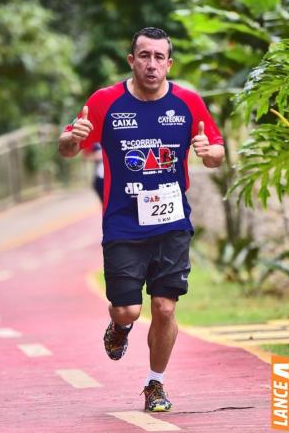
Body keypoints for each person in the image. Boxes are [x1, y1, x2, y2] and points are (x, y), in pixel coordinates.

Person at [58, 27, 224, 412]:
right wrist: (71, 138)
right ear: (131, 60)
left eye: (159, 57)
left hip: (172, 221)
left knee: (165, 307)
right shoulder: (104, 102)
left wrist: (209, 153)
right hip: (123, 221)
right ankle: (120, 326)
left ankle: (155, 383)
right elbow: (69, 147)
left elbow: (215, 150)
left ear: (170, 63)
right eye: (144, 56)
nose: (152, 64)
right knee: (127, 309)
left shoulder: (188, 103)